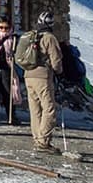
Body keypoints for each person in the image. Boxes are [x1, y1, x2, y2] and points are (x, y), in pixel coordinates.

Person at [25, 10, 63, 152]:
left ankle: (37, 138)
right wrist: (59, 72)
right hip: (42, 76)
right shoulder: (49, 38)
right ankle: (43, 141)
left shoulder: (32, 36)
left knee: (35, 109)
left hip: (28, 75)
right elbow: (56, 60)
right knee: (49, 108)